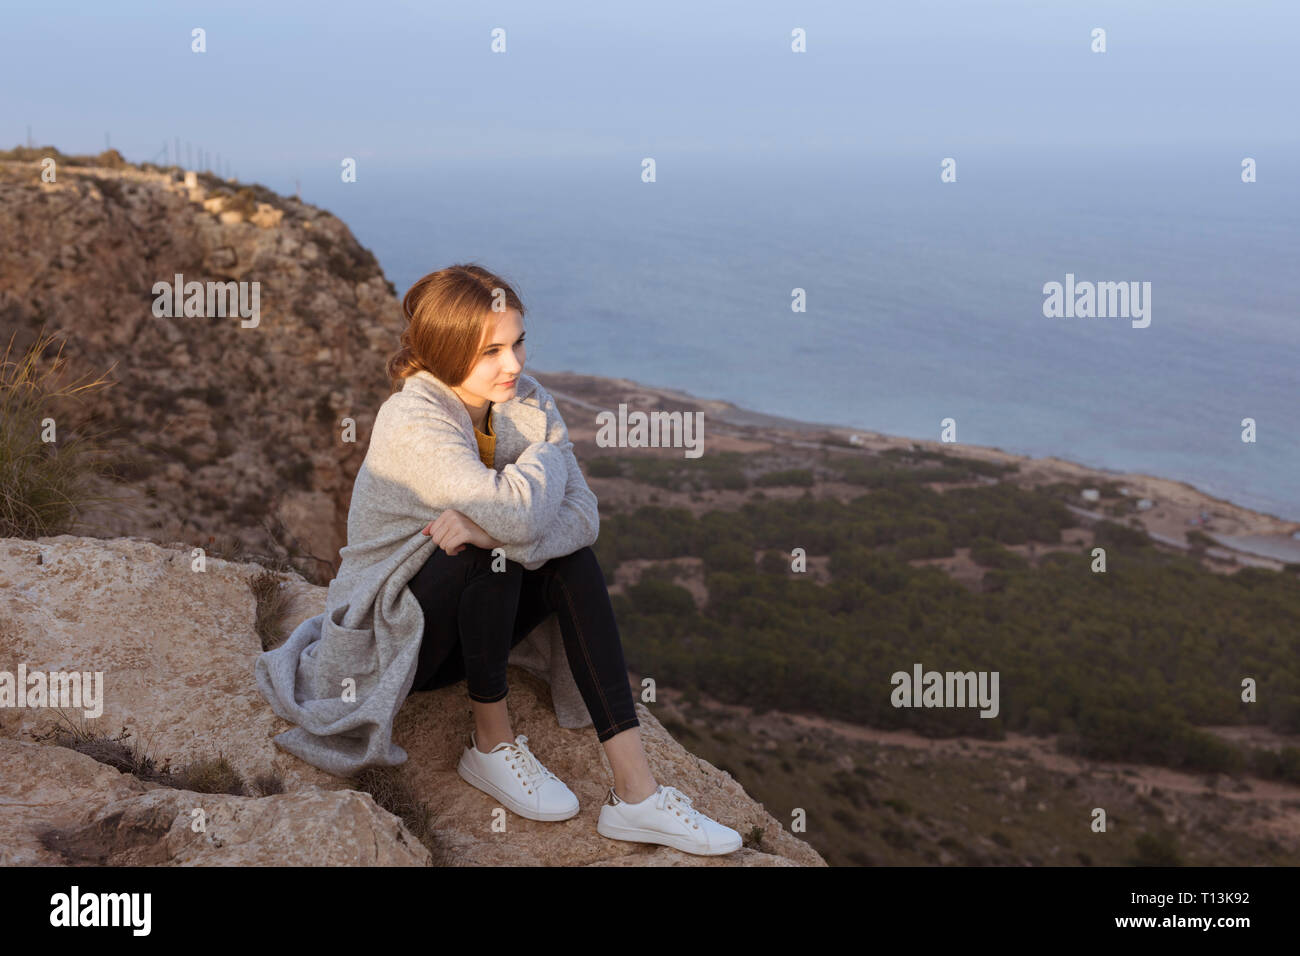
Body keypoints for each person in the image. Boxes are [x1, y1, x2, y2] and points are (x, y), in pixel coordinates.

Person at [389, 263, 741, 856]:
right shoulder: (414, 419)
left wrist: (491, 522)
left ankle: (637, 795)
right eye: (491, 351)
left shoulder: (526, 402)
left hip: (481, 632)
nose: (515, 365)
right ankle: (490, 745)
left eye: (518, 341)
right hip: (406, 642)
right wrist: (543, 469)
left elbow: (583, 519)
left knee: (565, 559)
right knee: (486, 555)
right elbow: (524, 517)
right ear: (446, 352)